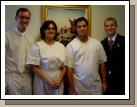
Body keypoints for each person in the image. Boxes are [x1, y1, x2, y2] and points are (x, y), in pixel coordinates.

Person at [66, 17, 108, 95]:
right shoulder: (71, 46)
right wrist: (72, 89)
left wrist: (104, 82)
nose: (82, 28)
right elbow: (69, 69)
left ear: (87, 27)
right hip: (79, 86)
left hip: (96, 85)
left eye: (84, 26)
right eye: (79, 26)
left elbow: (102, 63)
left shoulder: (97, 44)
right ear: (75, 28)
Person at [26, 20, 66, 95]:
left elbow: (64, 66)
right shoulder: (37, 46)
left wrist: (60, 81)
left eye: (53, 28)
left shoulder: (61, 46)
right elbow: (34, 67)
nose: (51, 30)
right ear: (43, 31)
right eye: (48, 28)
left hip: (57, 79)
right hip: (42, 80)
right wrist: (47, 81)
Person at [5, 8, 34, 95]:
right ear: (16, 18)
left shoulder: (31, 38)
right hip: (11, 78)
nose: (24, 20)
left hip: (27, 78)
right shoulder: (6, 36)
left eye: (27, 18)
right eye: (22, 17)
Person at [101, 17, 125, 95]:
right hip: (107, 82)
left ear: (116, 26)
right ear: (104, 28)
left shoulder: (125, 41)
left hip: (121, 81)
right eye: (107, 26)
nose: (109, 28)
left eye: (112, 25)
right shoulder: (102, 43)